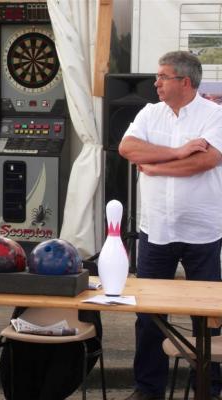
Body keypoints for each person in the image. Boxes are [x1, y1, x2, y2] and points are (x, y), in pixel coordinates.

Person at [119, 50, 222, 400]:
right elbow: (128, 148)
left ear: (185, 81)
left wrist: (158, 165)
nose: (156, 83)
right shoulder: (150, 113)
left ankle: (209, 386)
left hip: (202, 230)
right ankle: (148, 389)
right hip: (157, 229)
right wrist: (179, 153)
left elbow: (206, 161)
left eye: (163, 76)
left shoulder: (214, 115)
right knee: (149, 316)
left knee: (206, 318)